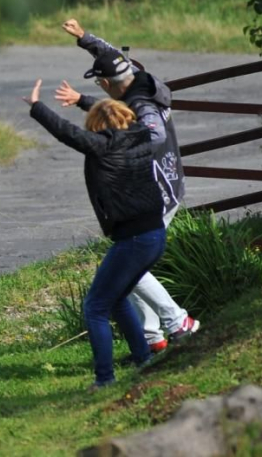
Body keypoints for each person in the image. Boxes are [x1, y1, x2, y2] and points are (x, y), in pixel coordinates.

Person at [55, 19, 199, 353]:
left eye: (102, 87)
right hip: (171, 183)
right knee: (136, 264)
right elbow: (112, 56)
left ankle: (178, 321)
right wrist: (84, 38)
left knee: (130, 263)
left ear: (107, 84)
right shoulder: (143, 81)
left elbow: (149, 132)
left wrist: (119, 146)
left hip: (157, 191)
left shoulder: (142, 106)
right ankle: (153, 336)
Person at [24, 82, 166, 391]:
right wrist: (84, 101)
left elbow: (67, 133)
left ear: (99, 126)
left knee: (96, 307)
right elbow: (113, 113)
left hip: (134, 239)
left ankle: (104, 379)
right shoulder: (141, 134)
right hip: (155, 233)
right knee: (115, 300)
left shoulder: (102, 145)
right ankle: (142, 358)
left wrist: (37, 107)